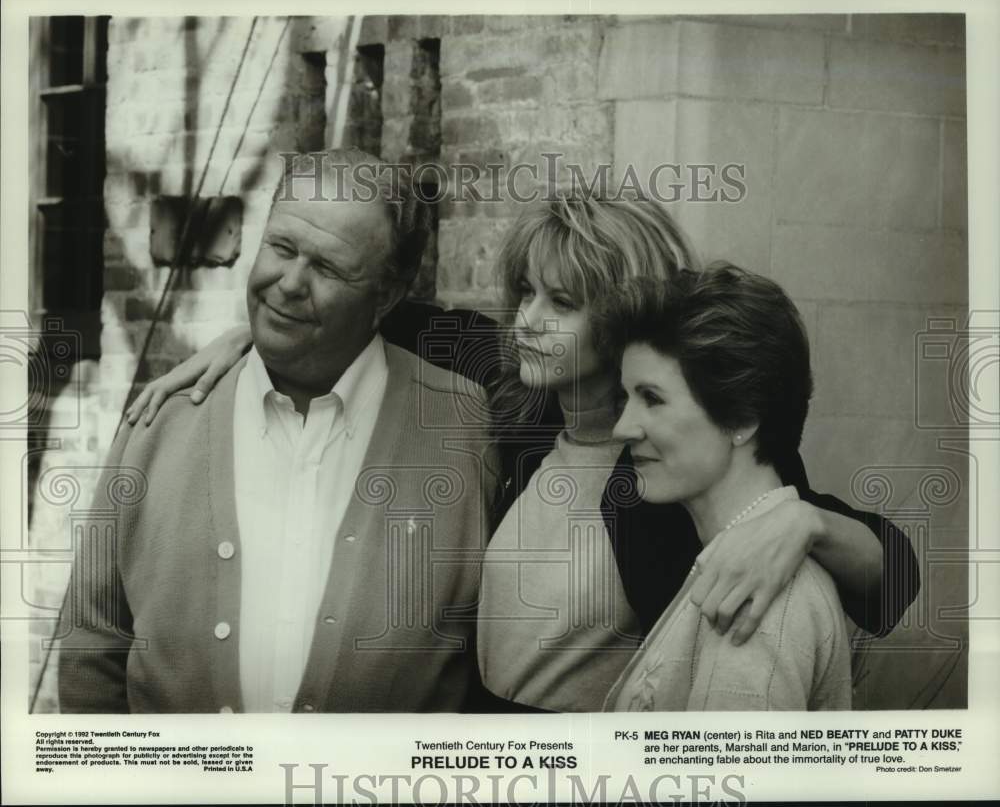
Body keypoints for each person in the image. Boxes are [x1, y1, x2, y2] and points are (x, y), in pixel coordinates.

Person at [123, 189, 920, 712]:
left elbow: (892, 583)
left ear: (626, 317)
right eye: (526, 293)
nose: (529, 318)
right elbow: (378, 311)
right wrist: (245, 338)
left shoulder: (673, 462)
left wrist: (805, 525)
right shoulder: (520, 404)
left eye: (563, 302)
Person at [56, 148, 495, 713]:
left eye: (329, 268)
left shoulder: (465, 427)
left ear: (386, 295)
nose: (288, 283)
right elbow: (93, 645)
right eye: (281, 247)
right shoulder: (159, 422)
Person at [601, 265, 850, 710]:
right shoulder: (733, 566)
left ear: (741, 417)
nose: (623, 427)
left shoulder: (752, 606)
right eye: (625, 398)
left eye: (652, 398)